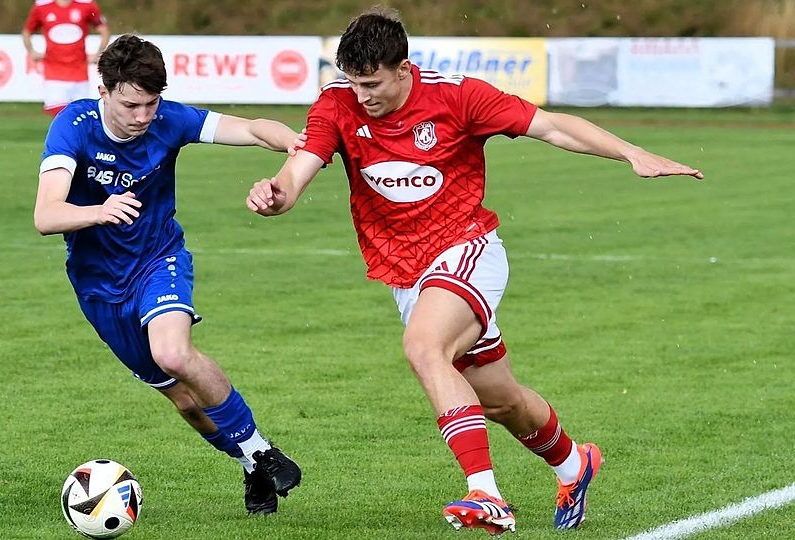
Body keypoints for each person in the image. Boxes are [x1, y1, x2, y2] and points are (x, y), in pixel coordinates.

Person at [246, 7, 703, 535]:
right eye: (353, 81)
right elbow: (302, 165)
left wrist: (631, 153)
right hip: (403, 272)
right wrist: (277, 193)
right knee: (501, 400)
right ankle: (575, 464)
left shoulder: (458, 96)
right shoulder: (338, 102)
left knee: (424, 348)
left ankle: (486, 494)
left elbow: (551, 127)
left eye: (372, 83)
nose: (362, 94)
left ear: (403, 68)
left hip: (467, 249)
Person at [34, 34, 303, 515]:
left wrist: (300, 148)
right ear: (105, 90)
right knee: (184, 403)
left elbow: (255, 128)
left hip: (160, 260)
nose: (142, 117)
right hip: (99, 288)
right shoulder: (72, 126)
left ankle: (263, 450)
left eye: (150, 104)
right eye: (131, 104)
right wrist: (99, 210)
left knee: (174, 352)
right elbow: (46, 215)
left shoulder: (169, 119)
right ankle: (250, 467)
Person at [22, 0, 111, 116]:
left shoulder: (86, 5)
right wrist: (32, 51)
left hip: (79, 74)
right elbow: (27, 31)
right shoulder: (42, 7)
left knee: (80, 117)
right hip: (54, 75)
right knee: (59, 117)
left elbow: (104, 30)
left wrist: (99, 53)